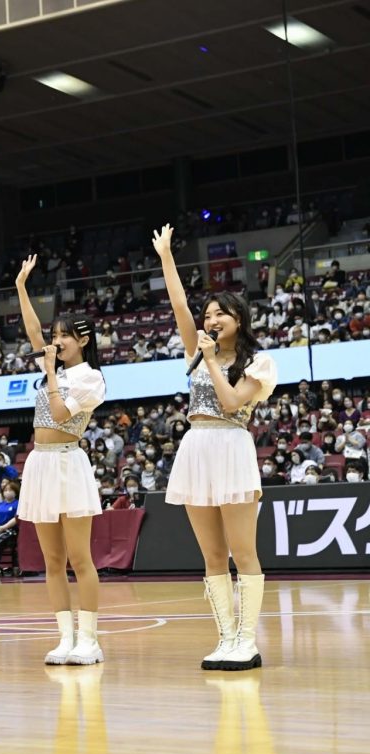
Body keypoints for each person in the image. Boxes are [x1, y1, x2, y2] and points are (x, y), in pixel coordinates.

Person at [155, 224, 277, 671]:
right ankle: (225, 637)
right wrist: (167, 256)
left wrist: (208, 359)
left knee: (242, 551)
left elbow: (230, 403)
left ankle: (247, 639)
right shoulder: (197, 347)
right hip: (197, 447)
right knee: (210, 554)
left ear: (239, 319)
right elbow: (177, 305)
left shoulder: (259, 363)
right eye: (208, 315)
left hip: (231, 446)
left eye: (220, 313)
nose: (210, 320)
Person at [15, 253, 108, 666]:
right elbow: (33, 330)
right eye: (55, 335)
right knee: (51, 561)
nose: (55, 341)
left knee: (79, 558)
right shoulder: (52, 364)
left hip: (70, 462)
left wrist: (51, 371)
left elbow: (61, 414)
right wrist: (20, 286)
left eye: (65, 335)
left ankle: (89, 639)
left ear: (83, 340)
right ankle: (65, 637)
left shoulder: (90, 377)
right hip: (40, 463)